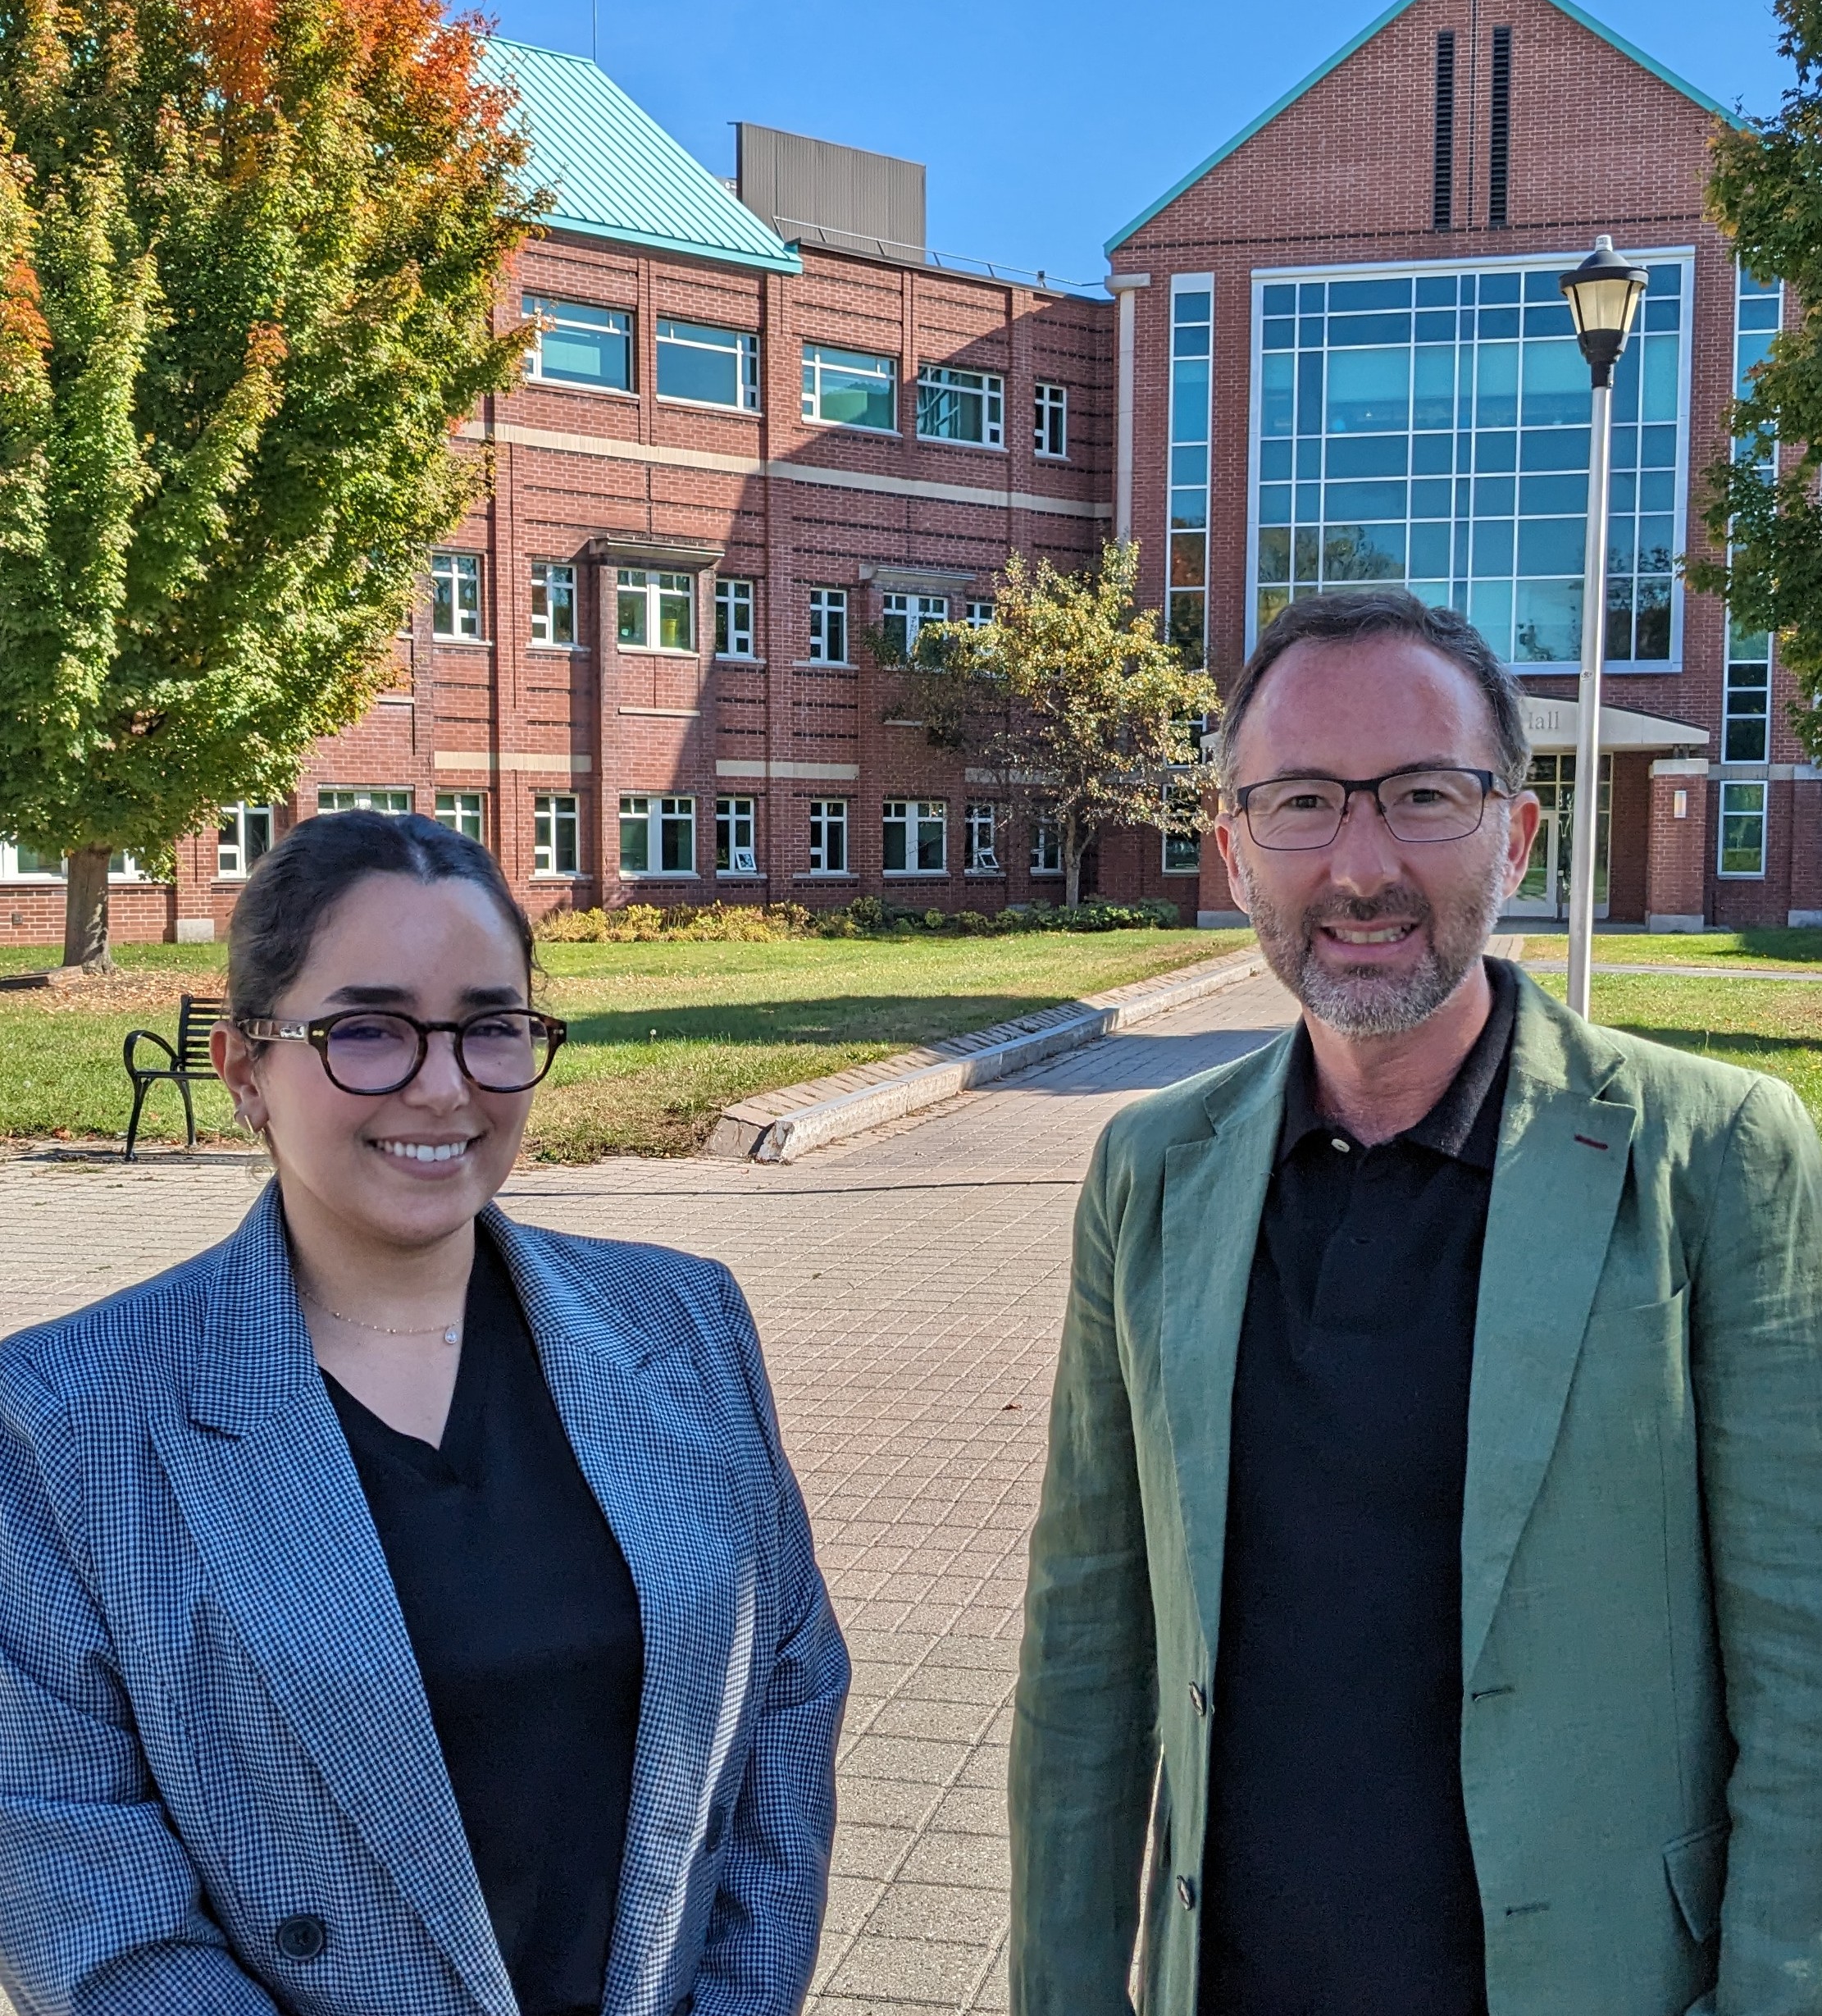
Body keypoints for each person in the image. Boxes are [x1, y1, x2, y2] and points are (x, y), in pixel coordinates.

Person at [1008, 590, 1822, 2016]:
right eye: (1304, 803)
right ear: (1232, 847)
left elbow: (1802, 1668)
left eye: (1423, 798)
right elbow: (1086, 1641)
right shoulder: (1150, 1168)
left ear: (1514, 835)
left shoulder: (1719, 1156)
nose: (1362, 867)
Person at [0, 809, 848, 2016]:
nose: (444, 1087)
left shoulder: (683, 1324)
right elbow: (82, 1904)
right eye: (368, 1031)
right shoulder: (66, 1424)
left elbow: (784, 1701)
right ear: (247, 1071)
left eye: (490, 1028)